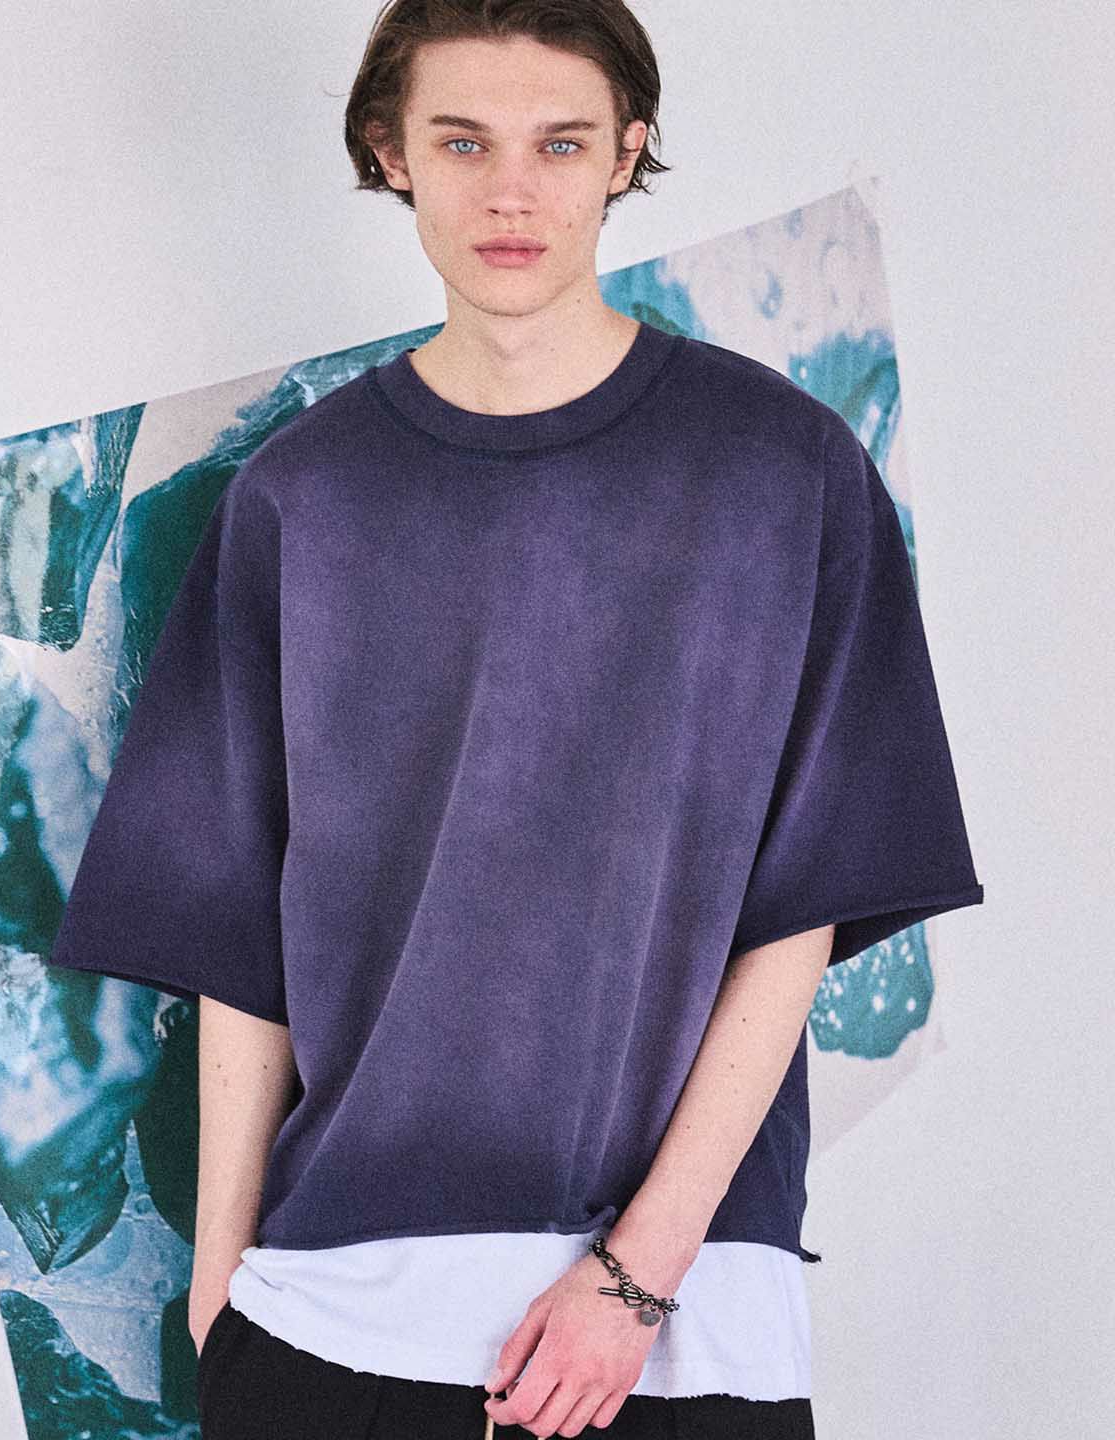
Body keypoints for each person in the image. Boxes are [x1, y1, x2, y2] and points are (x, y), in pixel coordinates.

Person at [48, 2, 984, 1436]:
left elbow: (806, 906)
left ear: (627, 153)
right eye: (463, 142)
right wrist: (220, 1278)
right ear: (391, 153)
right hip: (332, 1306)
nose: (510, 193)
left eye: (559, 143)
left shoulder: (781, 471)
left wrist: (637, 1277)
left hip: (677, 1327)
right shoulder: (299, 498)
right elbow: (238, 925)